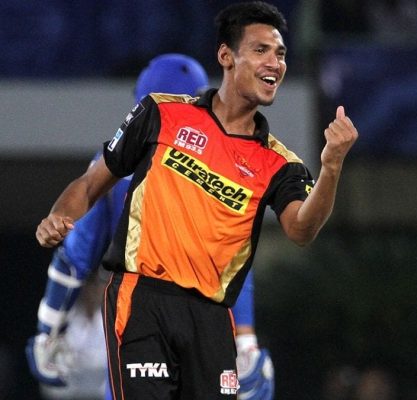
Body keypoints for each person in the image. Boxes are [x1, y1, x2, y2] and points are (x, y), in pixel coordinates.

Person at [35, 1, 358, 398]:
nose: (274, 62)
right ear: (226, 56)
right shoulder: (159, 114)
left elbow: (299, 231)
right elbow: (89, 185)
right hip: (142, 302)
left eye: (280, 53)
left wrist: (331, 167)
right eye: (260, 49)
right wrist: (58, 215)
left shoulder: (280, 164)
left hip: (212, 317)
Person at [28, 53, 275, 399]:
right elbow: (233, 262)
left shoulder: (116, 162)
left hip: (138, 320)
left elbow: (73, 260)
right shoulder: (225, 162)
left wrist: (48, 332)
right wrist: (246, 343)